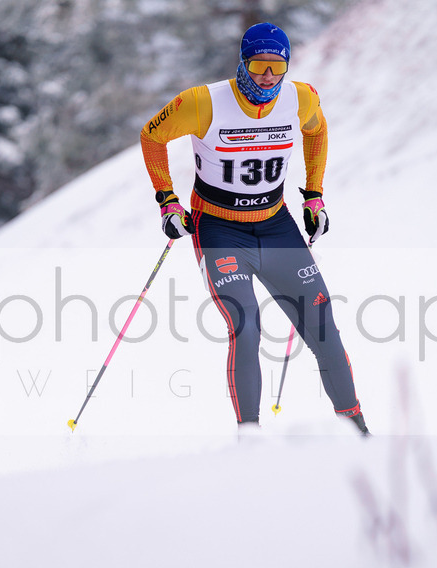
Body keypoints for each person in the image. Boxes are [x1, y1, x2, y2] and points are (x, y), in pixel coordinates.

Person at [139, 22, 369, 436]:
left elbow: (316, 131)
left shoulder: (300, 96)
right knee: (245, 327)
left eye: (277, 68)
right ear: (243, 62)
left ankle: (357, 432)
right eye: (260, 65)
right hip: (219, 229)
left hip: (276, 225)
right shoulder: (202, 101)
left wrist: (313, 196)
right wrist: (167, 201)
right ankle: (250, 439)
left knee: (322, 325)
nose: (268, 77)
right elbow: (152, 137)